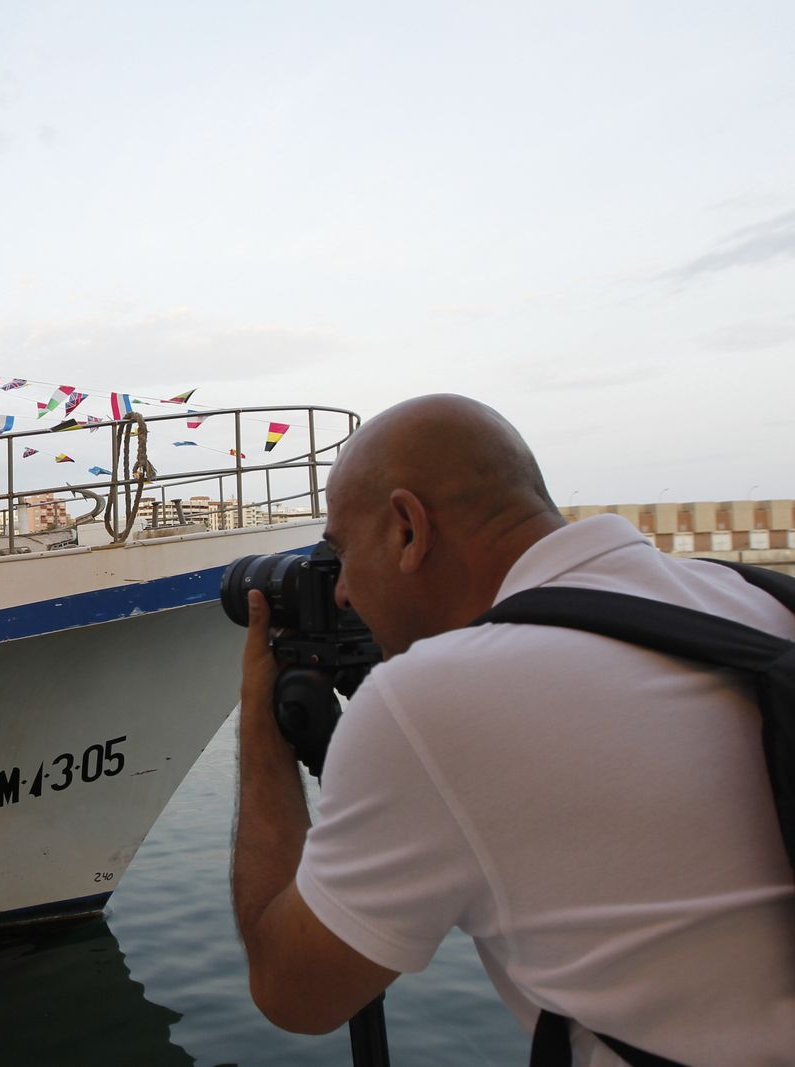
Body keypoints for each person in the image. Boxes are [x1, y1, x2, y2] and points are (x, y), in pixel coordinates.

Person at [231, 395, 795, 1065]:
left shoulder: (434, 698)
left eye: (341, 554)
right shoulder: (756, 599)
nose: (344, 593)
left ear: (408, 528)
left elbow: (295, 992)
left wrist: (261, 731)